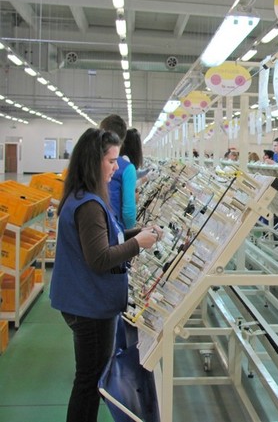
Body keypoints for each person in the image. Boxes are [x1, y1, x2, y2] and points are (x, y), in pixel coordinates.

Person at [50, 128, 162, 422]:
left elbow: (105, 240)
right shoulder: (89, 205)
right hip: (89, 305)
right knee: (90, 381)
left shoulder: (84, 197)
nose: (116, 167)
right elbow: (99, 258)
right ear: (93, 162)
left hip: (83, 300)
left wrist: (137, 233)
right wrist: (138, 244)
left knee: (89, 378)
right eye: (111, 161)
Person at [100, 114, 137, 229]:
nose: (115, 167)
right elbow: (129, 212)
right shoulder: (127, 168)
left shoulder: (87, 162)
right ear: (123, 137)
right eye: (112, 162)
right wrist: (130, 233)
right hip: (113, 228)